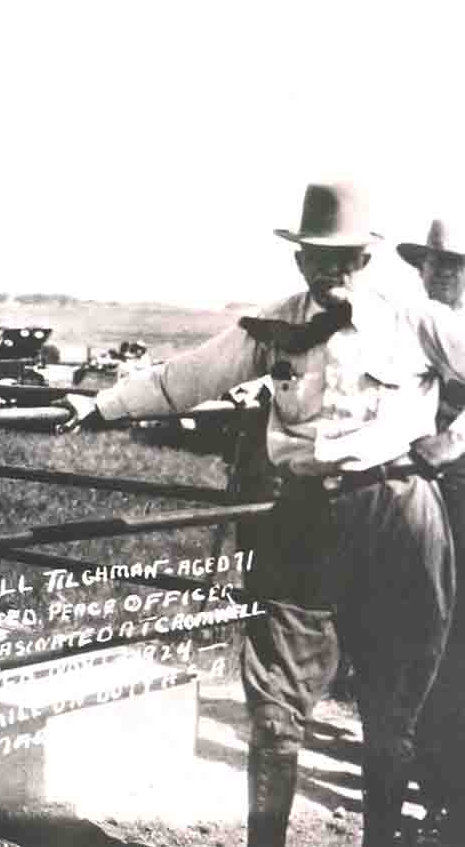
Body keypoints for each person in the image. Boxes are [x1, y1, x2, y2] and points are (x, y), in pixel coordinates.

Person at [77, 182, 465, 847]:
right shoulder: (273, 325)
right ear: (298, 260)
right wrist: (102, 404)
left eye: (344, 257)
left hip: (399, 516)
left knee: (391, 709)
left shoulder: (415, 321)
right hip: (307, 520)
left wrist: (453, 440)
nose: (330, 269)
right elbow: (189, 376)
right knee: (275, 704)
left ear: (367, 261)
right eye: (317, 255)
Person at [398, 220, 465, 843]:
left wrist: (454, 440)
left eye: (455, 265)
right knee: (426, 648)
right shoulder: (415, 328)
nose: (442, 274)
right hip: (425, 501)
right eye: (433, 263)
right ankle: (435, 797)